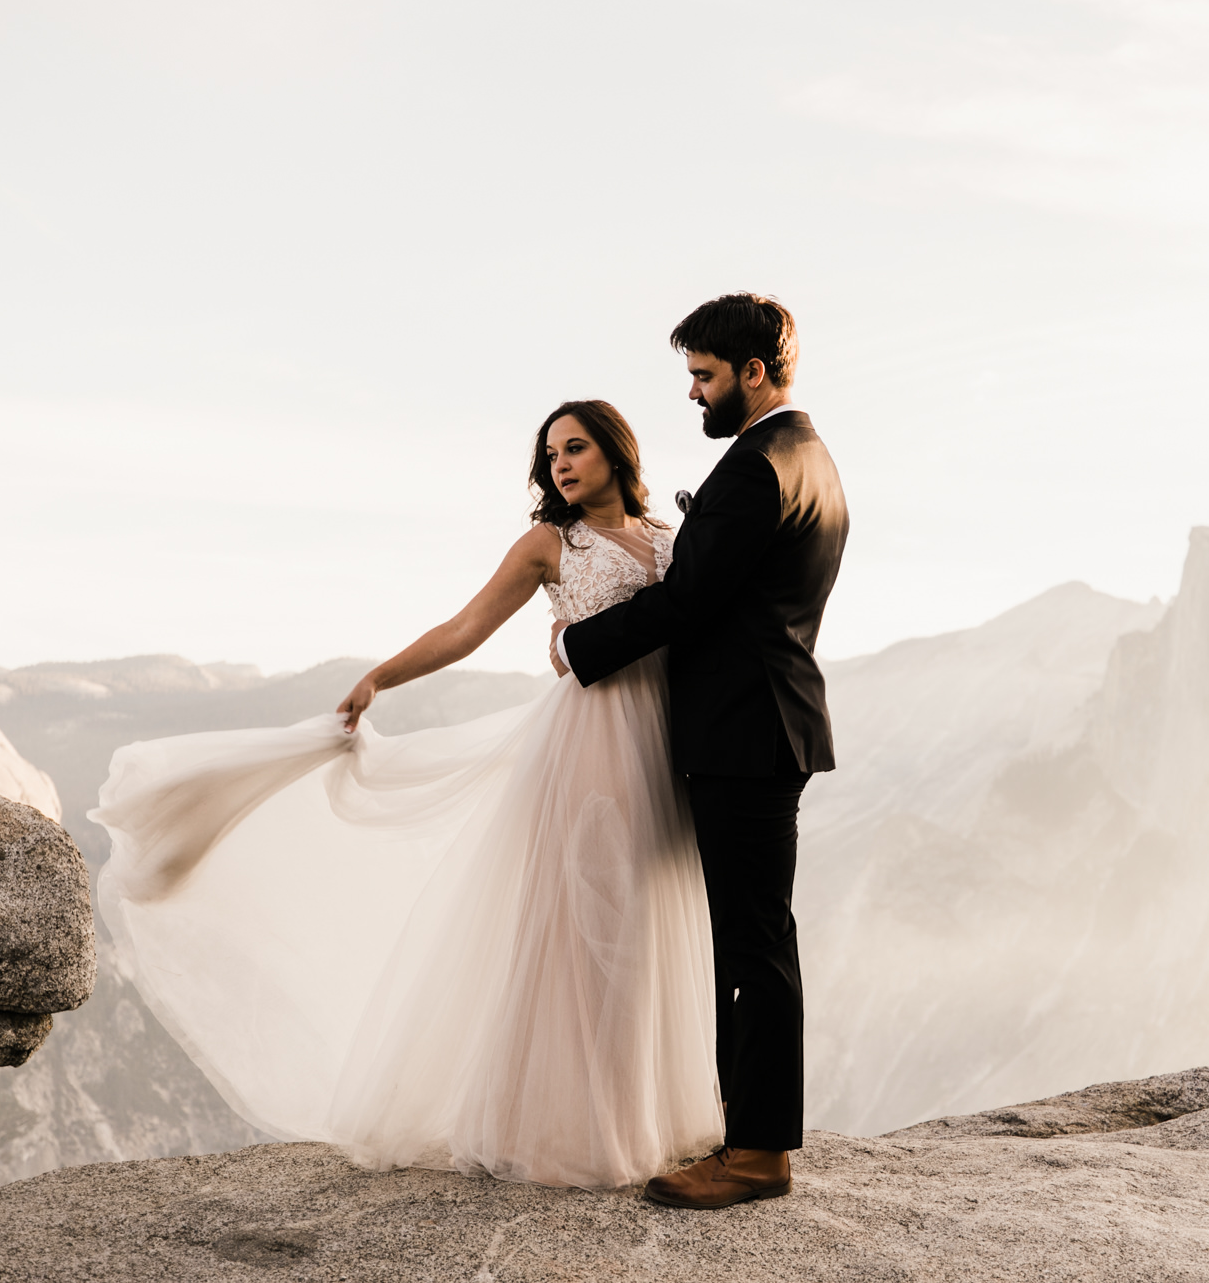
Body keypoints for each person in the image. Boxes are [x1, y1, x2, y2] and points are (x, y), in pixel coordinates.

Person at [91, 399, 721, 1190]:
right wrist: (381, 675)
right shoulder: (548, 545)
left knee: (651, 923)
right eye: (551, 454)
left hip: (663, 743)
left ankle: (650, 1112)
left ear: (616, 452)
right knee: (586, 931)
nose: (561, 464)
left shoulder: (669, 539)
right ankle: (579, 1128)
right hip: (590, 747)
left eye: (576, 447)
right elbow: (465, 628)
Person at [554, 293, 849, 1209]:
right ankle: (747, 1133)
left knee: (753, 944)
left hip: (744, 731)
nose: (693, 393)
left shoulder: (760, 469)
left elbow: (689, 601)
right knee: (753, 937)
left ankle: (758, 1153)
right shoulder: (810, 459)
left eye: (704, 375)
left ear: (753, 372)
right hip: (765, 723)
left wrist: (580, 645)